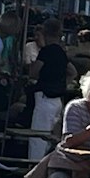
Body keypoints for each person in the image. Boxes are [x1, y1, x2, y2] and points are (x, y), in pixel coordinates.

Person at [27, 17, 71, 160]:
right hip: (58, 99)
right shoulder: (62, 52)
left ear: (45, 32)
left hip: (45, 98)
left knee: (38, 139)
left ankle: (33, 170)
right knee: (52, 140)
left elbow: (34, 72)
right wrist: (63, 82)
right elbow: (73, 71)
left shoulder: (46, 51)